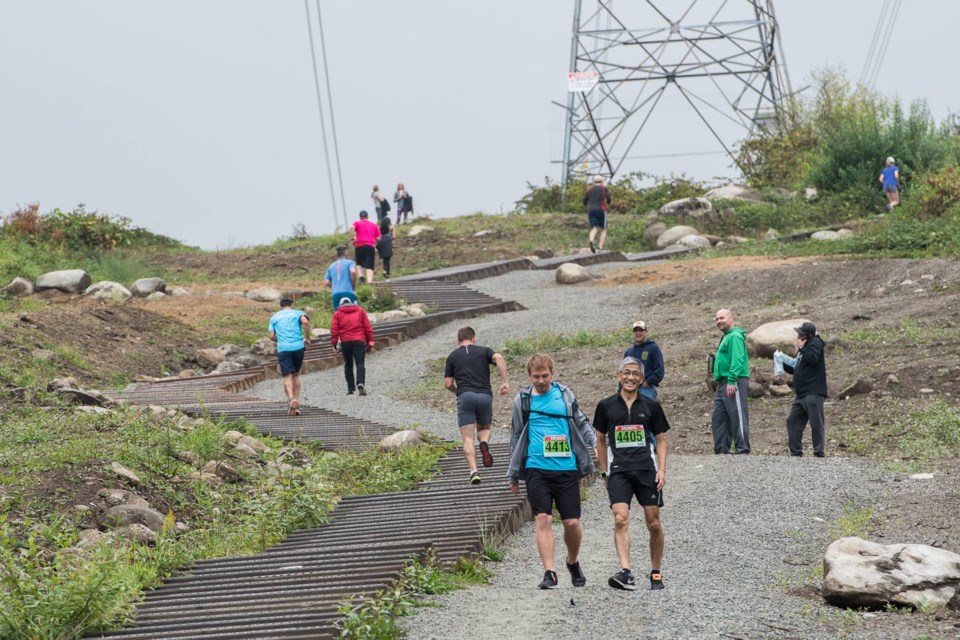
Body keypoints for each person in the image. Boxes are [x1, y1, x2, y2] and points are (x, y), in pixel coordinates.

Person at [506, 353, 596, 590]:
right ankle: (550, 572)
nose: (541, 381)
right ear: (529, 376)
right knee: (543, 519)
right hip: (536, 468)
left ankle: (572, 561)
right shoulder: (523, 400)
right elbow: (515, 435)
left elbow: (581, 422)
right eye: (536, 376)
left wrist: (596, 443)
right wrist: (513, 472)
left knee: (572, 523)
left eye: (545, 376)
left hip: (566, 468)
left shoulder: (565, 395)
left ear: (552, 374)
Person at [594, 357, 670, 591]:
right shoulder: (606, 406)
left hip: (647, 470)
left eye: (635, 373)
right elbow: (599, 439)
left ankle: (655, 572)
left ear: (641, 378)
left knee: (654, 523)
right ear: (618, 376)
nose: (630, 377)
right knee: (620, 519)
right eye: (626, 373)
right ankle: (626, 572)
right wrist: (604, 472)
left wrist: (662, 470)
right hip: (619, 471)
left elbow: (661, 439)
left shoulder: (651, 406)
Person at [443, 327, 510, 485]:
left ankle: (474, 471)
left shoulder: (452, 356)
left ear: (458, 340)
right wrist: (504, 381)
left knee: (467, 437)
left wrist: (458, 391)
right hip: (485, 396)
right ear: (474, 339)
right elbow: (499, 358)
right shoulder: (484, 351)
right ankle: (484, 442)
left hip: (465, 395)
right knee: (484, 429)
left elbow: (447, 384)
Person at [783, 321, 828, 458]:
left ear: (807, 336)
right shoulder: (804, 348)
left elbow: (813, 358)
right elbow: (796, 368)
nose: (798, 336)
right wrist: (782, 361)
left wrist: (802, 348)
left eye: (801, 334)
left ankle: (818, 453)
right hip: (801, 393)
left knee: (816, 422)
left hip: (813, 391)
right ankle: (796, 453)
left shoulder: (816, 342)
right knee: (792, 420)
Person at [711, 308, 750, 454]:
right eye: (716, 319)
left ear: (731, 319)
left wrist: (732, 380)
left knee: (737, 416)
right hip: (723, 383)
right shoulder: (727, 336)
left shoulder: (734, 336)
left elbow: (737, 358)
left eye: (722, 318)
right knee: (719, 418)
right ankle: (722, 452)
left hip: (734, 381)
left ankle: (742, 451)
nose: (719, 321)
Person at [268, 297, 311, 416]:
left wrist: (280, 339)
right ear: (291, 304)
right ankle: (296, 405)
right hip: (298, 347)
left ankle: (291, 399)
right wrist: (307, 338)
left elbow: (271, 336)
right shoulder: (298, 313)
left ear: (280, 305)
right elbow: (306, 322)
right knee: (295, 374)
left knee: (287, 375)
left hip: (284, 349)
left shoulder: (274, 317)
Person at [329, 298, 375, 396]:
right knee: (360, 363)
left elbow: (334, 330)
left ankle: (351, 388)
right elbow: (368, 327)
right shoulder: (360, 311)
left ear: (341, 304)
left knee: (348, 364)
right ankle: (360, 383)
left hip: (345, 342)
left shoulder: (337, 314)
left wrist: (334, 344)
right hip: (359, 340)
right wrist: (370, 341)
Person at [624, 320, 664, 400]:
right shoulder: (629, 352)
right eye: (636, 330)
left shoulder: (653, 348)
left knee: (646, 411)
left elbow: (659, 369)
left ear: (646, 331)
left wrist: (648, 382)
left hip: (646, 389)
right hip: (630, 388)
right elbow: (624, 371)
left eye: (641, 330)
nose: (638, 333)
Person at [350, 210, 381, 284]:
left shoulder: (357, 223)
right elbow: (378, 238)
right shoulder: (374, 225)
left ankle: (361, 277)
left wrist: (353, 238)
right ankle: (369, 282)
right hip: (370, 246)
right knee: (369, 265)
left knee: (358, 263)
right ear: (367, 216)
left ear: (360, 217)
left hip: (359, 245)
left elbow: (351, 227)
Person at [582, 174, 611, 254]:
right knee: (604, 229)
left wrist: (589, 203)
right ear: (602, 182)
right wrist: (606, 189)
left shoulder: (589, 190)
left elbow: (584, 202)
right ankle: (600, 247)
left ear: (594, 182)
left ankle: (591, 241)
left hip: (591, 210)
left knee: (594, 228)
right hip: (601, 209)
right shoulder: (604, 189)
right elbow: (609, 199)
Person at [323, 245, 357, 310]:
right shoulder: (350, 262)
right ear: (346, 252)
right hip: (348, 292)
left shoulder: (331, 266)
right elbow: (353, 272)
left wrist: (335, 286)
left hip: (335, 294)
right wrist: (353, 285)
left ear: (337, 254)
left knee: (338, 315)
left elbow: (327, 282)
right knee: (351, 313)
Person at [377, 214, 395, 279]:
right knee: (387, 259)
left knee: (385, 258)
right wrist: (392, 231)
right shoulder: (390, 227)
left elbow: (377, 236)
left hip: (380, 242)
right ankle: (387, 272)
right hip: (387, 241)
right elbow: (393, 237)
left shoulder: (379, 228)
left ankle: (385, 269)